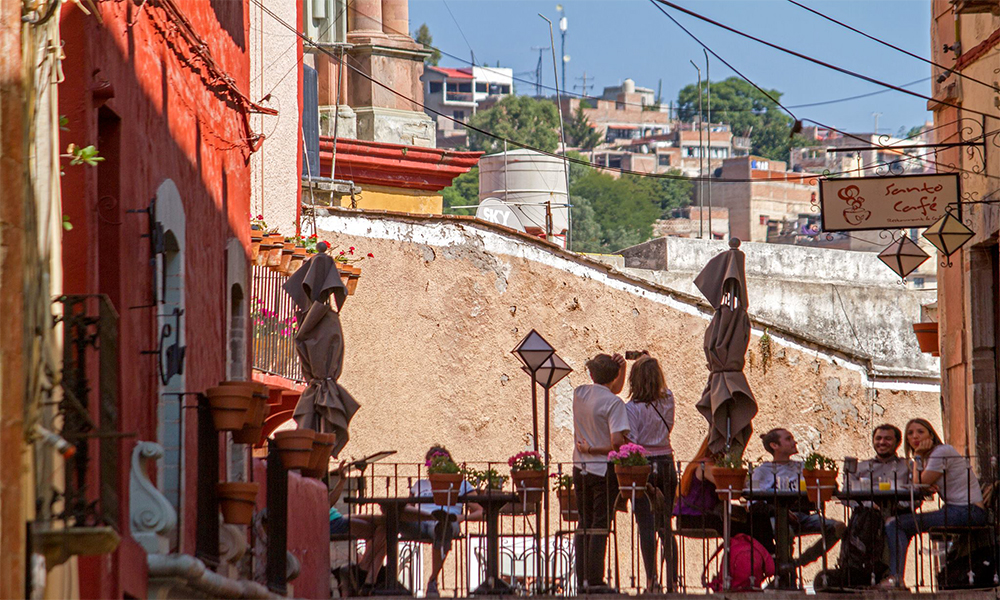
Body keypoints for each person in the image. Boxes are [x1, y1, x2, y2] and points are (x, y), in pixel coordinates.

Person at [361, 446, 483, 597]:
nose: (436, 467)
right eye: (432, 464)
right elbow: (408, 509)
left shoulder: (461, 484)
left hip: (449, 522)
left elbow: (479, 512)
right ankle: (369, 578)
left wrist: (461, 518)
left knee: (443, 526)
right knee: (389, 522)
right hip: (421, 522)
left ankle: (432, 580)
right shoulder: (420, 484)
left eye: (440, 463)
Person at [880, 419, 987, 590]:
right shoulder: (933, 456)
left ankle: (895, 578)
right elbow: (923, 484)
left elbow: (917, 484)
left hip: (967, 511)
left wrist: (917, 458)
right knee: (900, 523)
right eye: (910, 433)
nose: (915, 436)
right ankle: (895, 576)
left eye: (920, 432)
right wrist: (924, 481)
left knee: (895, 523)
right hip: (959, 510)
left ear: (931, 434)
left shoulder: (941, 451)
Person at [573, 353, 630, 591]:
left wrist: (619, 371)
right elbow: (618, 442)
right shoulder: (614, 404)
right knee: (600, 524)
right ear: (615, 376)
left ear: (591, 374)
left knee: (583, 522)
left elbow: (608, 389)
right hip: (602, 468)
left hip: (579, 466)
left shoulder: (579, 393)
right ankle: (595, 580)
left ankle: (582, 578)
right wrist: (596, 449)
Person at [751, 428, 845, 573]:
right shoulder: (763, 471)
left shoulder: (802, 467)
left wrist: (827, 481)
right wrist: (779, 512)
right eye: (788, 439)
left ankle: (797, 564)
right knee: (784, 531)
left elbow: (827, 489)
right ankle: (784, 573)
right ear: (774, 446)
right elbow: (754, 504)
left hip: (803, 515)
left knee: (838, 527)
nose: (794, 442)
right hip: (777, 517)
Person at [623, 354, 677, 592]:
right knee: (665, 525)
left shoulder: (631, 408)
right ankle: (673, 581)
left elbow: (632, 441)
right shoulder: (669, 399)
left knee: (646, 524)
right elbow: (670, 426)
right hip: (667, 462)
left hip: (643, 468)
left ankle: (651, 581)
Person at [674, 436, 775, 553]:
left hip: (697, 517)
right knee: (753, 524)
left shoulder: (702, 464)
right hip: (696, 519)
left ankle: (768, 555)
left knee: (757, 518)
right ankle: (769, 556)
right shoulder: (706, 467)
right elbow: (730, 486)